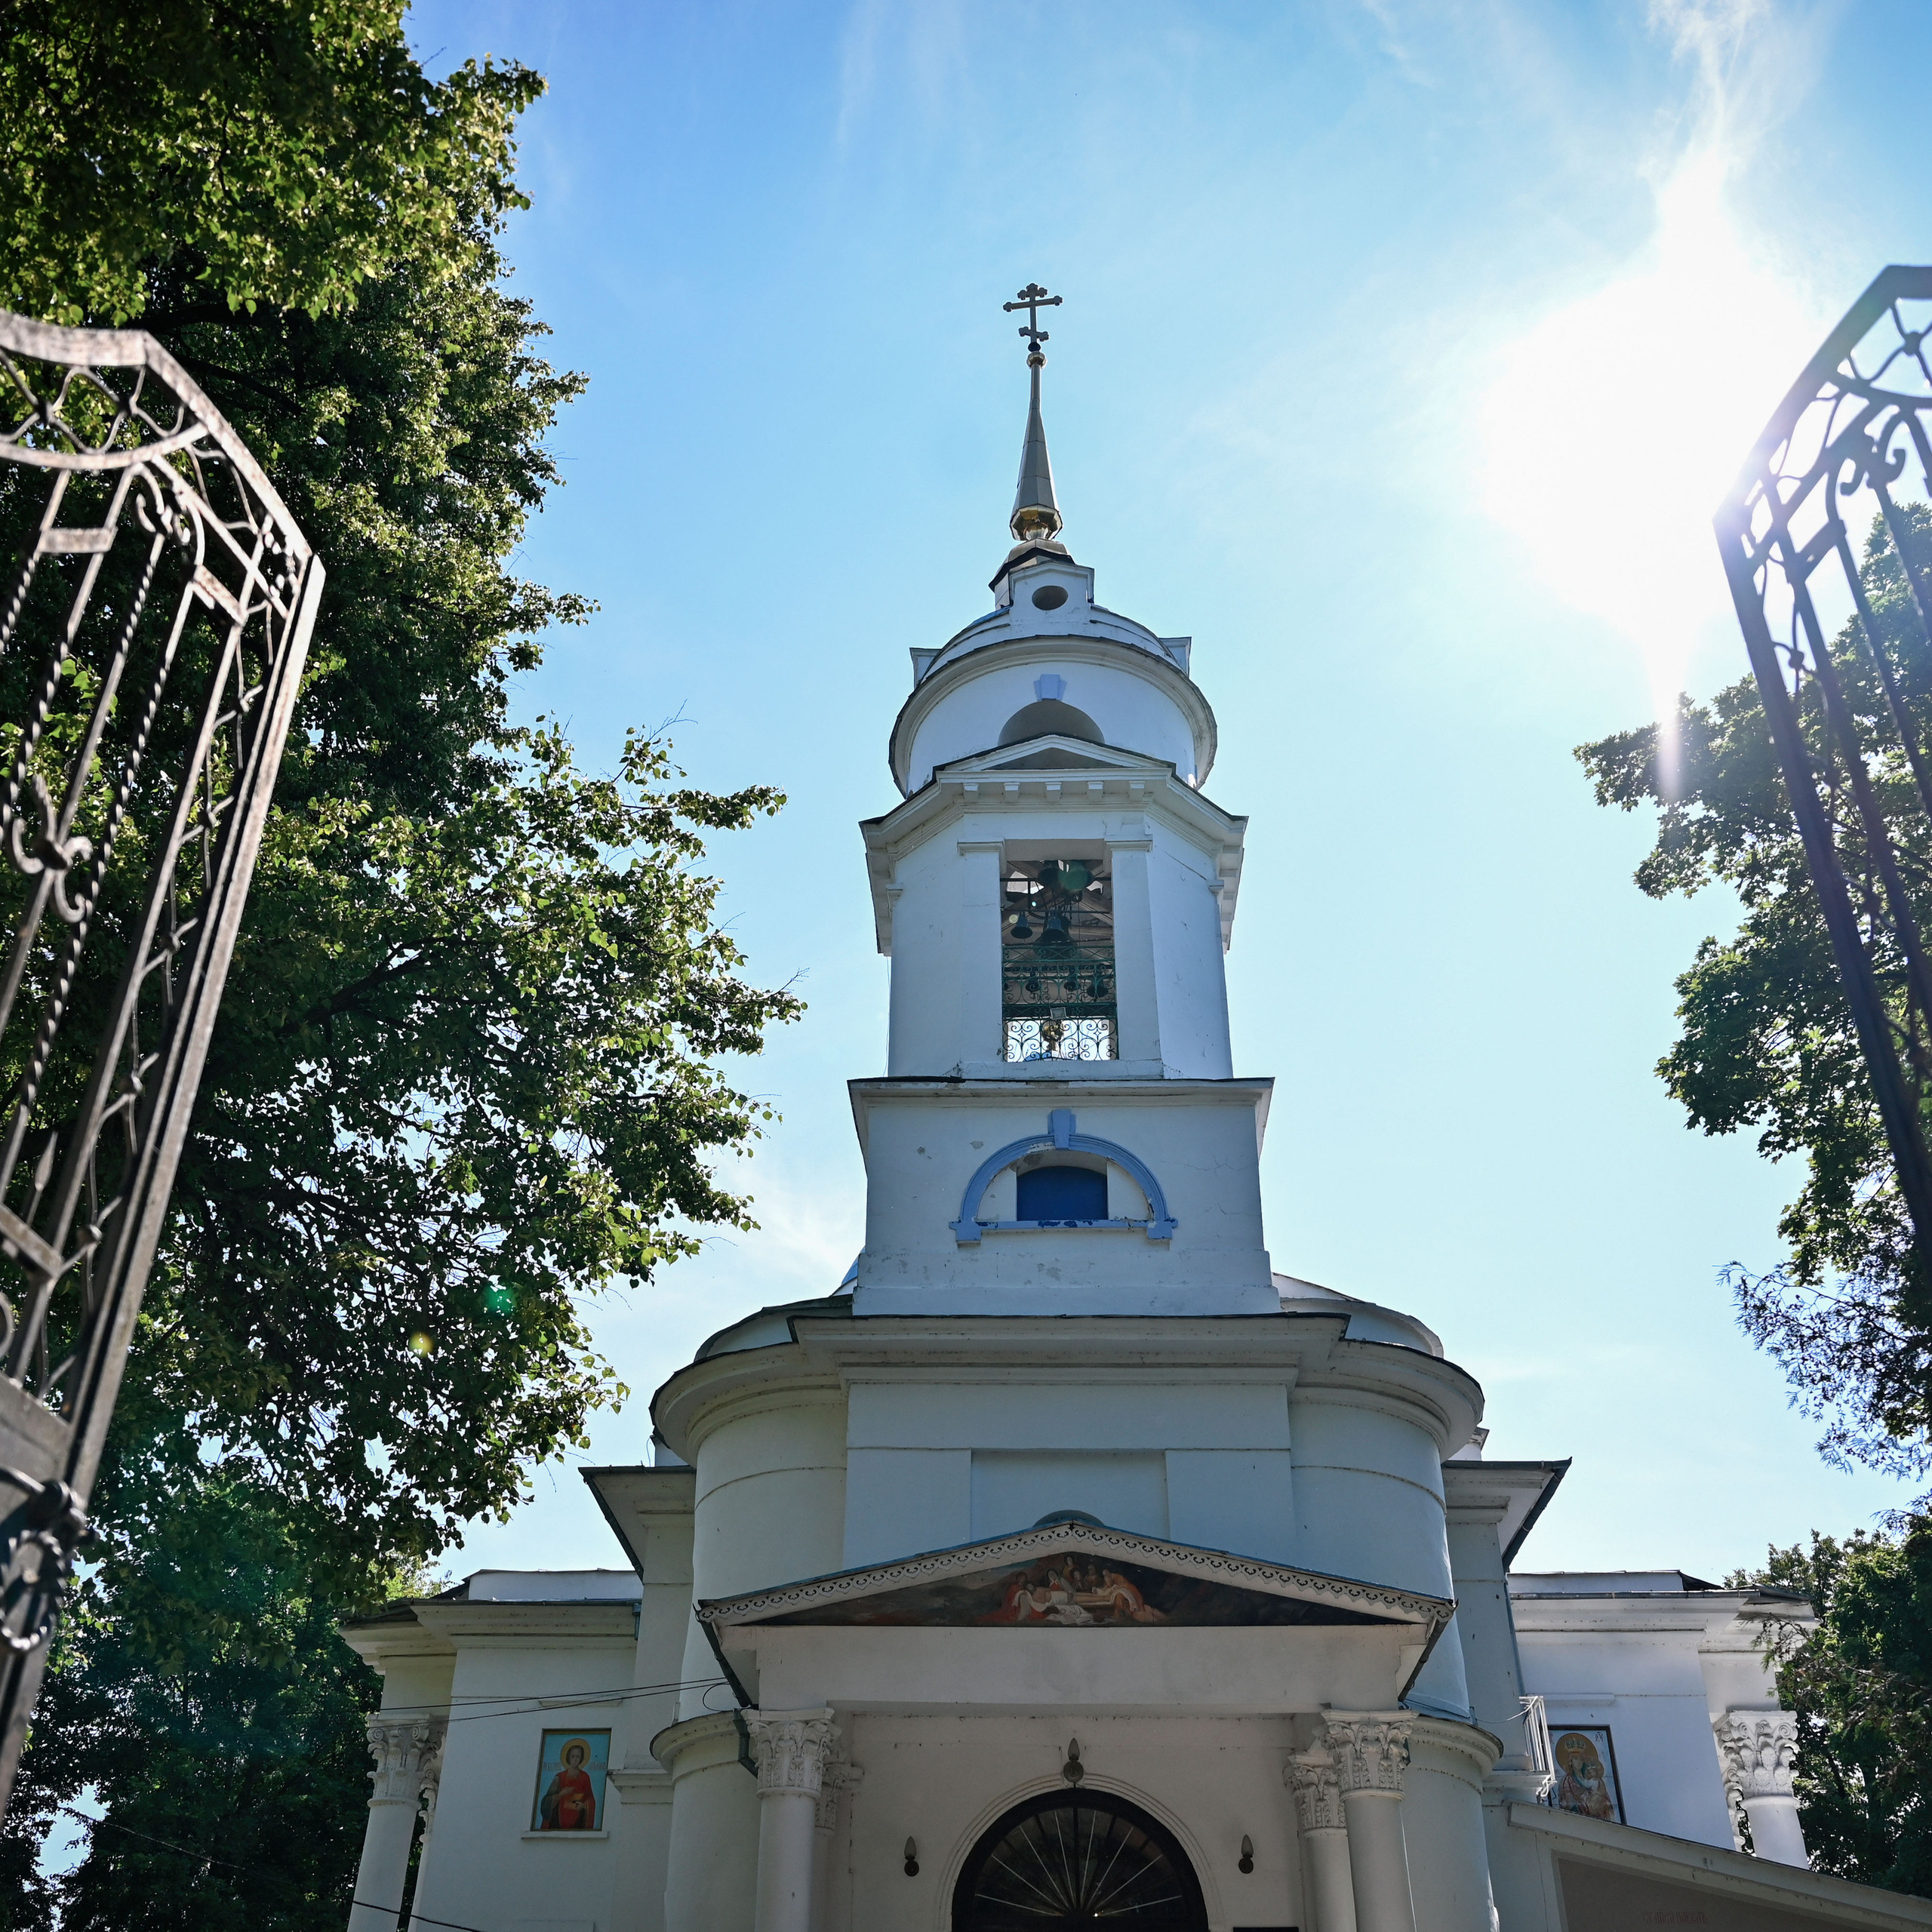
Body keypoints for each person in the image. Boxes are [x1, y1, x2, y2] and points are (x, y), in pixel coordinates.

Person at [540, 1739, 598, 1830]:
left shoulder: (585, 1777)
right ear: (568, 1757)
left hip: (578, 1822)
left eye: (578, 1757)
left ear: (581, 1759)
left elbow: (590, 1799)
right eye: (573, 1756)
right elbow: (546, 1802)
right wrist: (561, 1794)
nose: (575, 1760)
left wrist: (584, 1806)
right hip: (558, 1821)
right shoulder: (559, 1777)